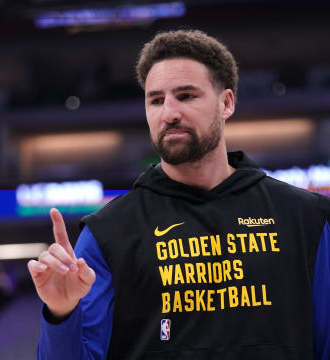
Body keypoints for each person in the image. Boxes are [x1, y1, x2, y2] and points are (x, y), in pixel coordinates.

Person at [28, 30, 330, 360]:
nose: (169, 112)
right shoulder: (108, 234)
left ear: (226, 102)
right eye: (156, 100)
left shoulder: (305, 218)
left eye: (186, 96)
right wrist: (61, 314)